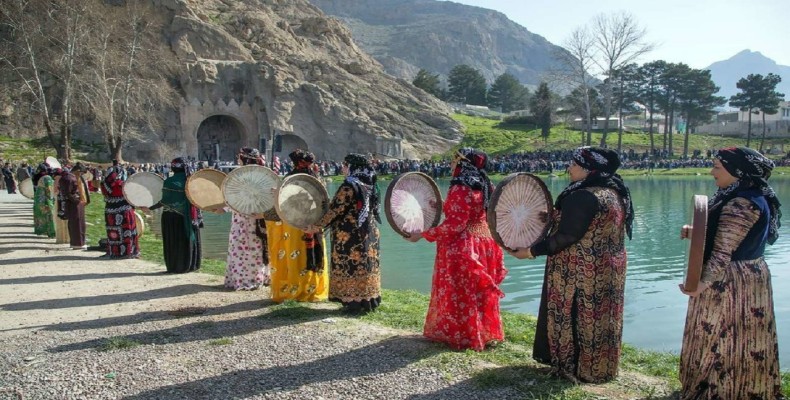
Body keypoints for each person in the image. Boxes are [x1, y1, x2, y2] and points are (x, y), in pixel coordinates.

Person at [509, 146, 633, 383]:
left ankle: (573, 367)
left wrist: (532, 251)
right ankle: (600, 369)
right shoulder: (613, 193)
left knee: (576, 314)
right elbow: (588, 223)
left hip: (578, 271)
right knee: (600, 318)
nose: (569, 168)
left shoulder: (583, 195)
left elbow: (567, 236)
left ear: (587, 169)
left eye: (574, 164)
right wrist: (553, 217)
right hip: (607, 269)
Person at [678, 147, 782, 399]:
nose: (712, 171)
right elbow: (731, 237)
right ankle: (743, 388)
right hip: (748, 273)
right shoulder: (745, 195)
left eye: (717, 167)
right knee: (743, 334)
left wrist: (701, 283)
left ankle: (722, 392)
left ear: (737, 171)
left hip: (730, 280)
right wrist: (696, 232)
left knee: (723, 333)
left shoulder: (741, 203)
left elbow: (724, 252)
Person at [406, 148, 507, 351]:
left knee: (461, 291)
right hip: (484, 241)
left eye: (454, 162)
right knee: (478, 292)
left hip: (464, 246)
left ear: (463, 163)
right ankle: (483, 332)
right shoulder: (484, 183)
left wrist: (424, 234)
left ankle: (463, 335)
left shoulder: (461, 186)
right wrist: (444, 205)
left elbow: (456, 225)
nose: (452, 165)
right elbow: (473, 211)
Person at [306, 153, 382, 313]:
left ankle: (353, 302)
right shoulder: (370, 183)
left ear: (352, 167)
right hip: (370, 232)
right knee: (367, 265)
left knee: (351, 266)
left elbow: (335, 209)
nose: (342, 168)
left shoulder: (350, 185)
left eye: (345, 165)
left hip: (351, 235)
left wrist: (316, 226)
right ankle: (368, 299)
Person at [266, 149, 329, 302]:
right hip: (313, 225)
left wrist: (276, 196)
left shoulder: (290, 180)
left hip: (294, 226)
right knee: (312, 255)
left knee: (294, 256)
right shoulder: (317, 181)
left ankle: (295, 289)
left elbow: (282, 207)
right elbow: (325, 206)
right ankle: (312, 288)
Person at [220, 147, 270, 290]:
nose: (237, 161)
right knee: (257, 247)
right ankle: (260, 277)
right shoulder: (262, 177)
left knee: (243, 247)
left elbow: (237, 200)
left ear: (245, 160)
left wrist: (223, 208)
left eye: (239, 158)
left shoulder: (242, 179)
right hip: (257, 218)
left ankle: (244, 279)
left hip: (244, 219)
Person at [144, 157, 202, 273]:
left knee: (174, 241)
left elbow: (165, 201)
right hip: (190, 216)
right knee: (187, 240)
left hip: (172, 217)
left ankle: (176, 266)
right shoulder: (191, 182)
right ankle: (191, 265)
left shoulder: (170, 182)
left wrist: (149, 208)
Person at [101, 160, 140, 258]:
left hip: (109, 211)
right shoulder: (122, 185)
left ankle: (114, 251)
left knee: (113, 232)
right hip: (124, 211)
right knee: (126, 232)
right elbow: (132, 198)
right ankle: (127, 251)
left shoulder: (104, 184)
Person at [58, 163, 91, 249]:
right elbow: (68, 193)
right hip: (73, 204)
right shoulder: (69, 178)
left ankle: (80, 242)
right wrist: (77, 201)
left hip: (77, 203)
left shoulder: (71, 177)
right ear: (77, 171)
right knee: (76, 223)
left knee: (79, 223)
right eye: (81, 173)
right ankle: (77, 243)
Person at [32, 163, 56, 238]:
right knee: (49, 216)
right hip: (45, 200)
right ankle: (51, 232)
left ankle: (41, 230)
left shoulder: (38, 177)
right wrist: (53, 199)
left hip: (38, 199)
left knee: (40, 216)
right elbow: (49, 190)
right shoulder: (47, 178)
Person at [53, 168, 72, 245]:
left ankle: (61, 239)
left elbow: (55, 191)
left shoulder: (57, 179)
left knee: (60, 220)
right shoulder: (67, 179)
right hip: (67, 202)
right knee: (68, 220)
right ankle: (68, 238)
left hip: (60, 202)